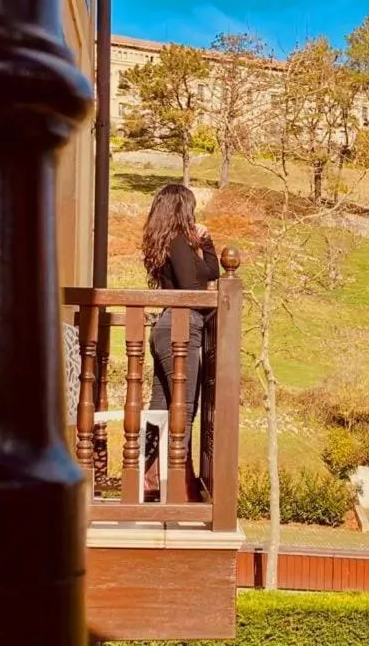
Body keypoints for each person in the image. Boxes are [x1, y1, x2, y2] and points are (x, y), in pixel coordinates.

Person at [141, 183, 219, 501]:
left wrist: (206, 241)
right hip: (181, 330)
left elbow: (212, 269)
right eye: (191, 208)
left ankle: (146, 479)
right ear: (182, 209)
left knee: (160, 407)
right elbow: (194, 286)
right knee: (183, 409)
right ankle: (171, 484)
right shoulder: (178, 242)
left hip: (167, 327)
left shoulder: (169, 242)